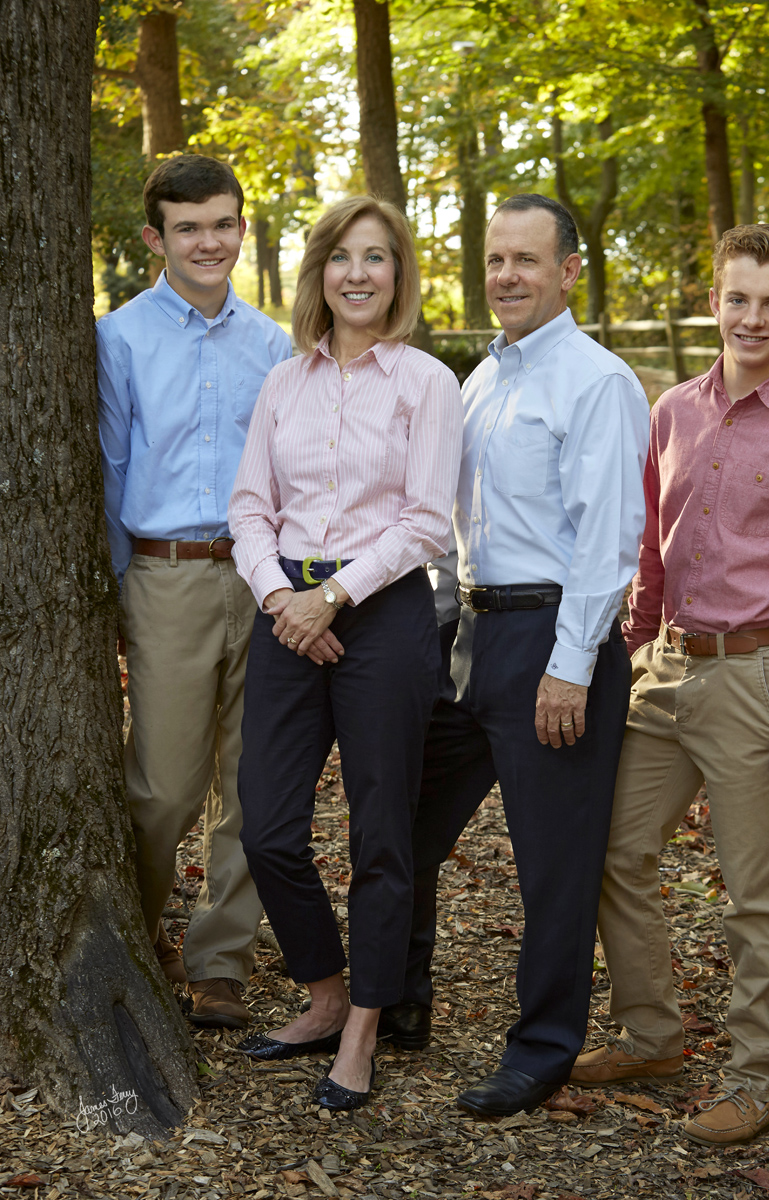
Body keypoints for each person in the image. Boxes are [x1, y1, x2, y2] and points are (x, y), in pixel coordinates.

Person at [569, 225, 769, 1145]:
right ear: (715, 299)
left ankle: (754, 1081)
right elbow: (651, 551)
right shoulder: (672, 409)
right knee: (616, 855)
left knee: (755, 893)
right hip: (665, 668)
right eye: (737, 298)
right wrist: (631, 652)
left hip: (760, 677)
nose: (752, 318)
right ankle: (652, 1034)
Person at [378, 194, 651, 1116]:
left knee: (553, 861)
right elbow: (457, 529)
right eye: (496, 260)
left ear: (571, 269)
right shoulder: (481, 381)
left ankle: (542, 1049)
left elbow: (607, 541)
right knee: (409, 825)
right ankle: (400, 1003)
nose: (507, 277)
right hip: (473, 636)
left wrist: (571, 665)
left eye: (527, 261)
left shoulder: (597, 381)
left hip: (554, 638)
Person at [228, 196, 462, 1112]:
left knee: (381, 832)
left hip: (385, 616)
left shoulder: (426, 383)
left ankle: (366, 1022)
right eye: (341, 257)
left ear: (398, 276)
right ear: (317, 273)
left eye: (377, 258)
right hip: (286, 606)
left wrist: (334, 594)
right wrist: (283, 596)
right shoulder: (284, 381)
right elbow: (249, 504)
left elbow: (426, 521)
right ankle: (323, 992)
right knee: (268, 828)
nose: (357, 273)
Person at [97, 155, 291, 1029]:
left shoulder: (276, 344)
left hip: (262, 578)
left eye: (222, 224)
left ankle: (221, 960)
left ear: (242, 229)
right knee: (164, 787)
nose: (208, 241)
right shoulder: (121, 337)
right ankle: (139, 936)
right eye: (188, 227)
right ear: (156, 238)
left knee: (252, 783)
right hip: (165, 573)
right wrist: (111, 588)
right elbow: (108, 465)